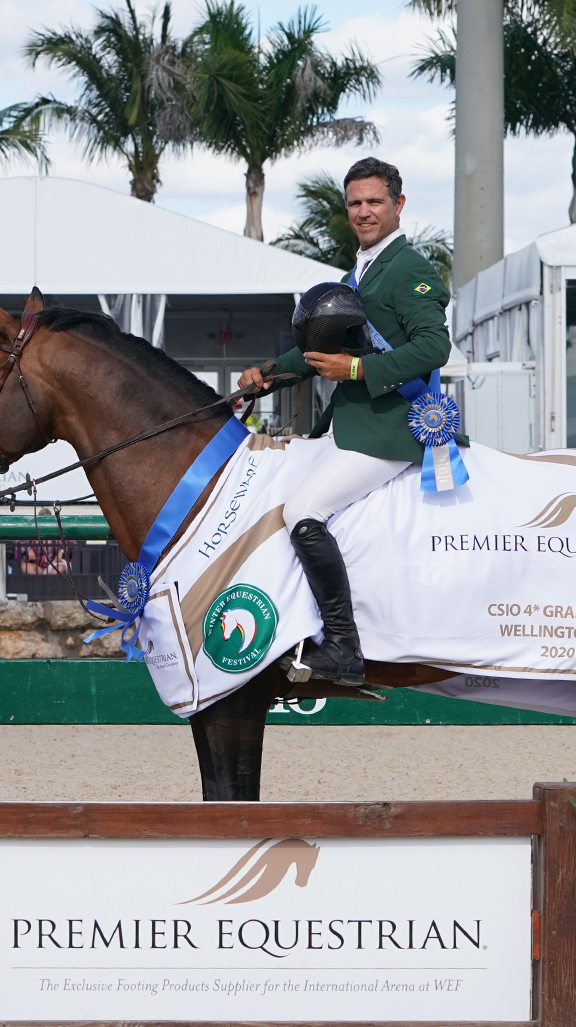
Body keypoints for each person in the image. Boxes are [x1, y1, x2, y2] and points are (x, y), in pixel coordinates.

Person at [239, 156, 451, 686]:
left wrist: (357, 367)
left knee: (304, 510)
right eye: (355, 203)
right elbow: (319, 352)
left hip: (391, 426)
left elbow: (434, 347)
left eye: (374, 201)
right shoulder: (355, 273)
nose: (364, 211)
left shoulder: (410, 270)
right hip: (347, 424)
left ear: (398, 205)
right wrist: (268, 373)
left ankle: (343, 648)